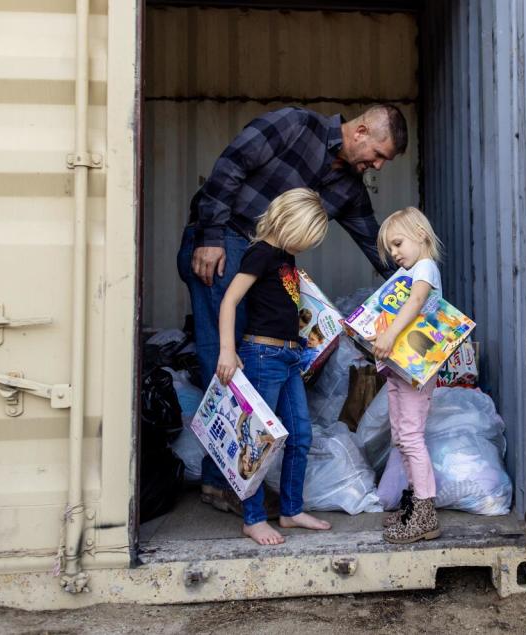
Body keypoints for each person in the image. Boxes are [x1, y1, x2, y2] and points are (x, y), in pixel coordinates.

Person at [177, 104, 407, 513]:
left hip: (267, 263)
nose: (378, 166)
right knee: (225, 361)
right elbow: (231, 164)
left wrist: (417, 283)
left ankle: (239, 480)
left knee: (251, 367)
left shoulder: (350, 189)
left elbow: (374, 244)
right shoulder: (296, 126)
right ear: (361, 131)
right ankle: (223, 482)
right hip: (226, 238)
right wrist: (210, 235)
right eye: (378, 155)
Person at [215, 188, 332, 546]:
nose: (304, 246)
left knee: (299, 435)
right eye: (303, 238)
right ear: (287, 223)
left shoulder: (285, 258)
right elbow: (229, 301)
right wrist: (227, 350)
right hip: (262, 355)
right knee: (258, 441)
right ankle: (252, 519)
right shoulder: (261, 254)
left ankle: (291, 510)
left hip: (289, 356)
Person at [371, 207, 444, 544]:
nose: (395, 254)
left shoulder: (425, 267)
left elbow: (415, 303)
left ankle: (425, 513)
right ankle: (415, 504)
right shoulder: (410, 273)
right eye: (390, 249)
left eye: (398, 244)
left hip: (416, 367)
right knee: (402, 435)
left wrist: (388, 336)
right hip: (402, 367)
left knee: (411, 436)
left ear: (421, 235)